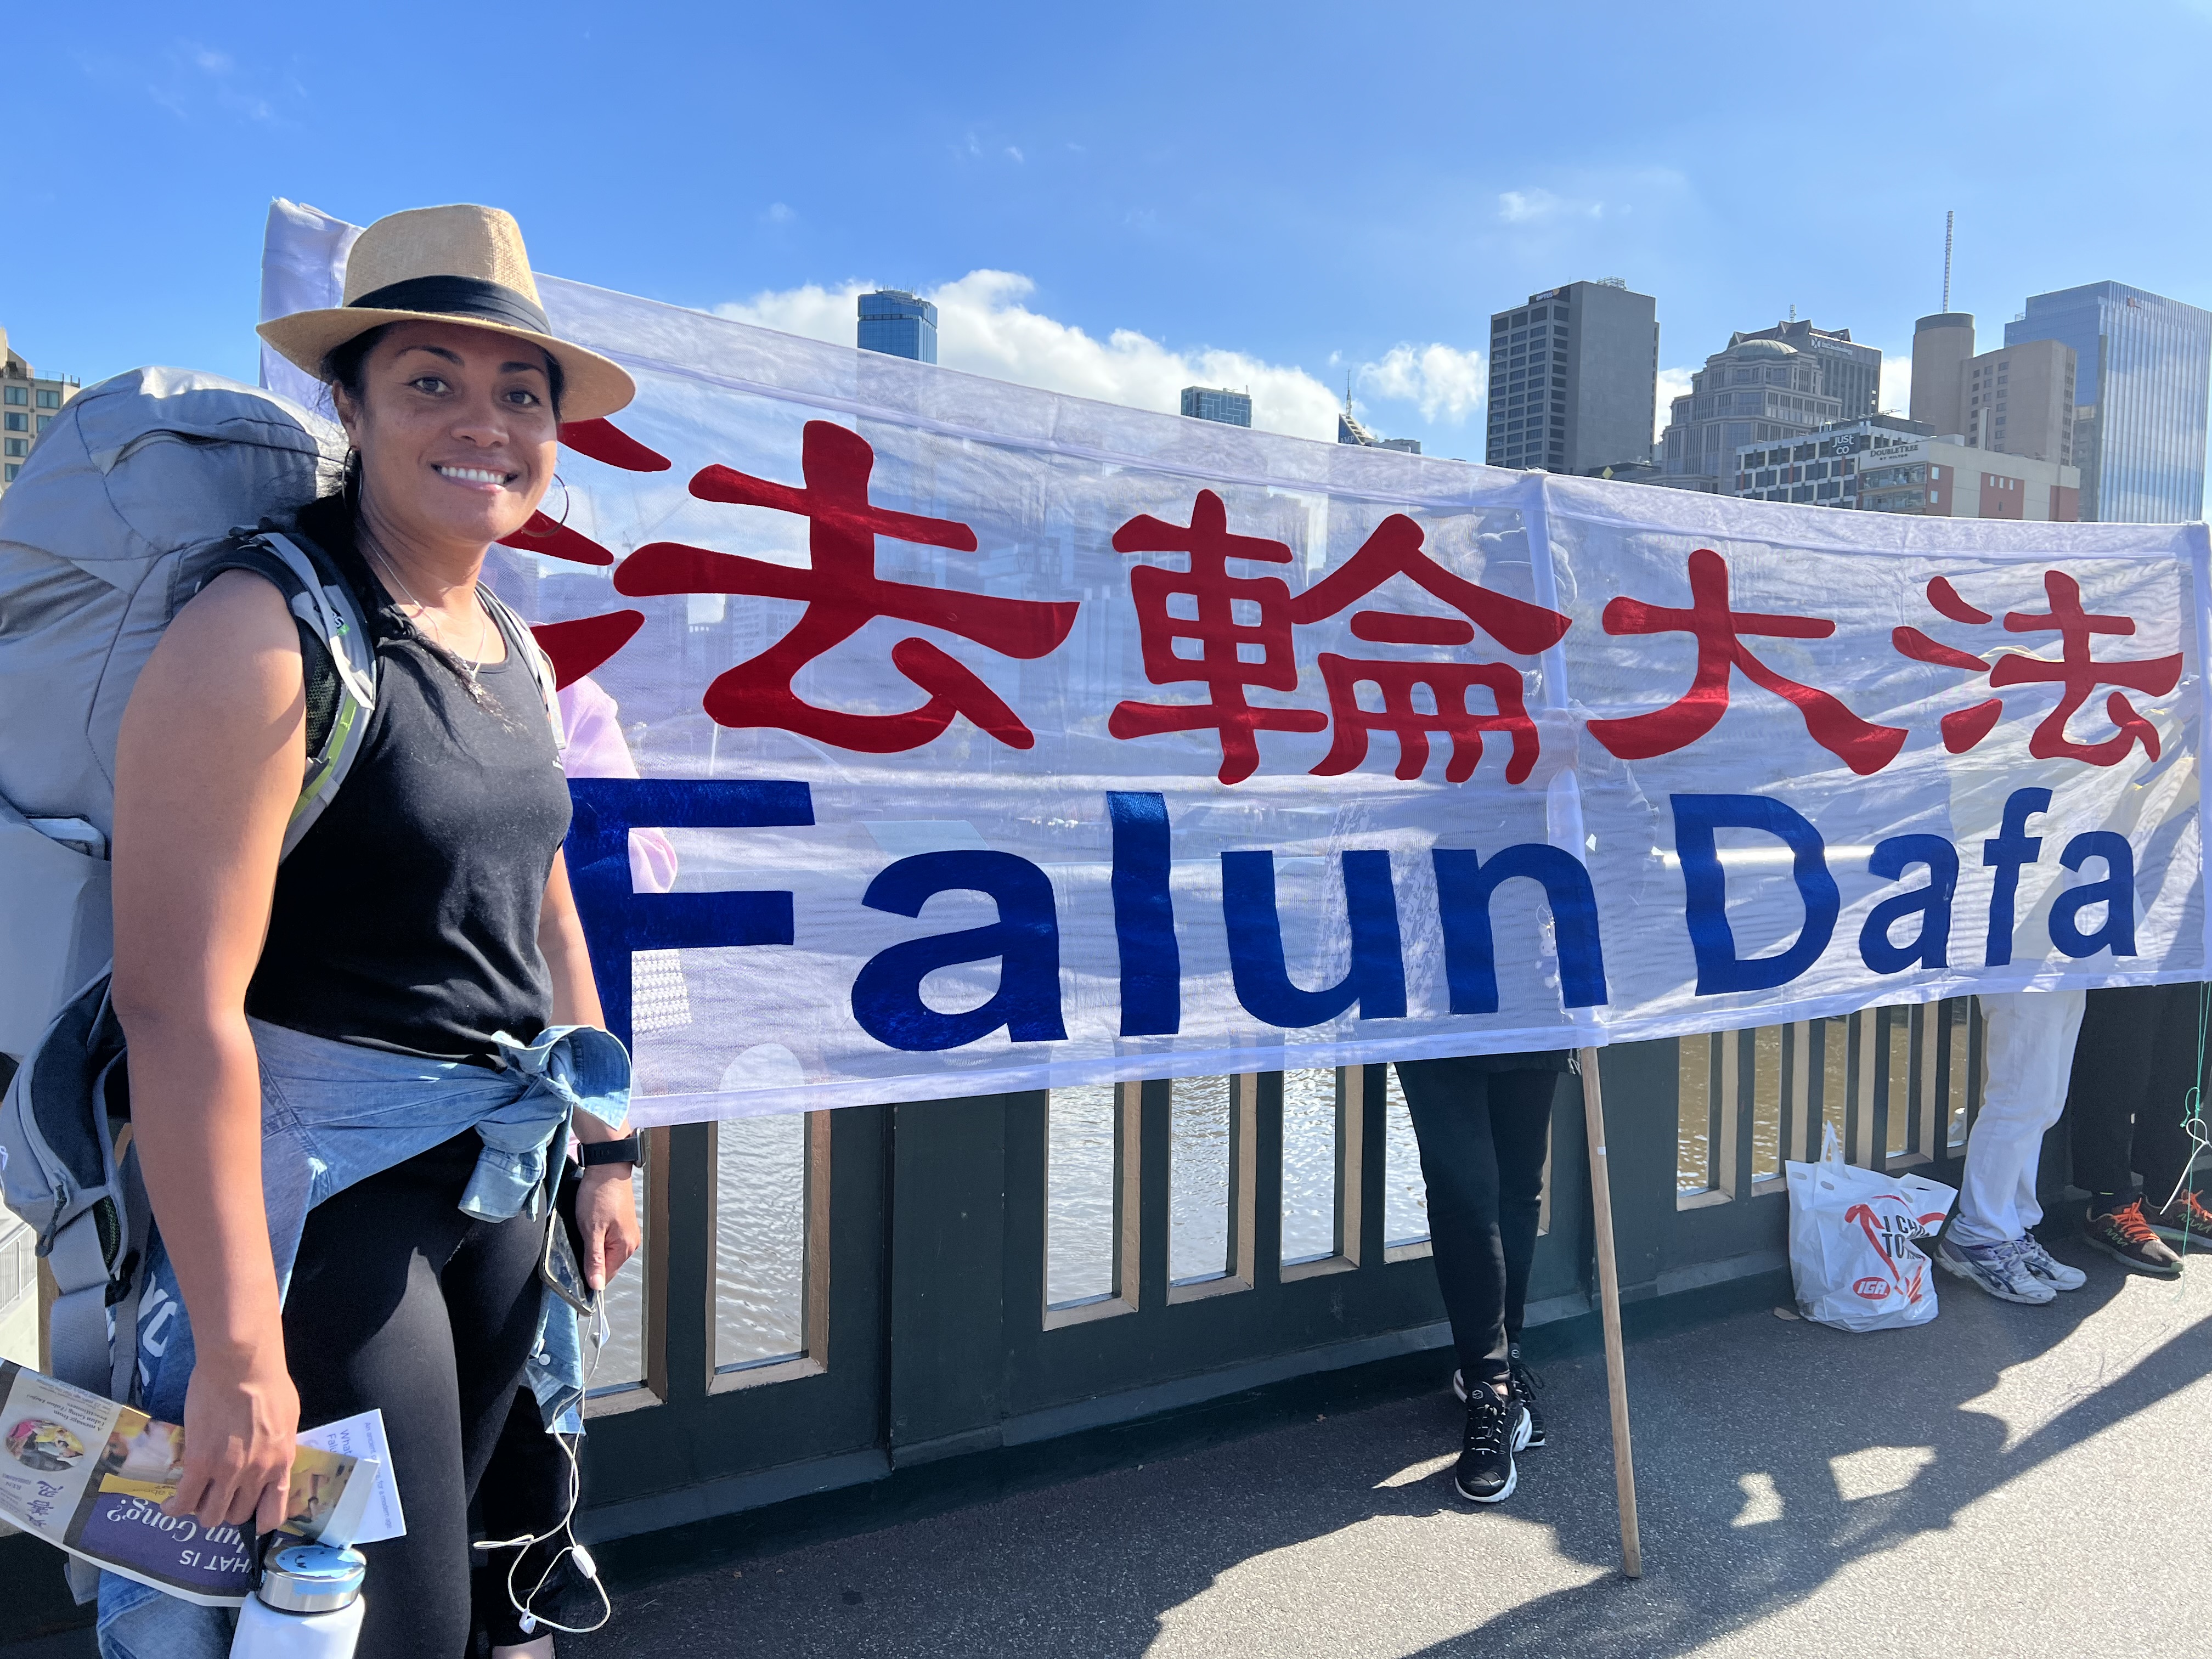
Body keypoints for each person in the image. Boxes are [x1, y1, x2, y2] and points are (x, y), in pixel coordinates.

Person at [104, 205, 642, 1659]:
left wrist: (607, 1150)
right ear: (347, 404)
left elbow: (541, 901)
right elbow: (174, 1005)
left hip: (494, 1178)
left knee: (478, 1590)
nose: (486, 424)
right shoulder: (263, 629)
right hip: (327, 1208)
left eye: (520, 392)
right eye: (430, 381)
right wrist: (236, 1351)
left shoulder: (510, 646)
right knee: (379, 1625)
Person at [1391, 1050, 1564, 1505]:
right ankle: (1490, 1385)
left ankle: (1507, 1362)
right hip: (1432, 1017)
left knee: (1518, 1185)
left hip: (1530, 1011)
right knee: (1462, 1196)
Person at [1933, 991, 2090, 1305]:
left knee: (2045, 1106)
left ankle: (2011, 1230)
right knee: (2018, 1100)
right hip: (2027, 970)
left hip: (2074, 969)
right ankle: (1979, 1234)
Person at [2064, 982, 2212, 1276]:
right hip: (2124, 959)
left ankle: (2166, 1200)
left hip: (2192, 956)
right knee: (2116, 1064)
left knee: (2184, 1066)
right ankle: (2110, 1208)